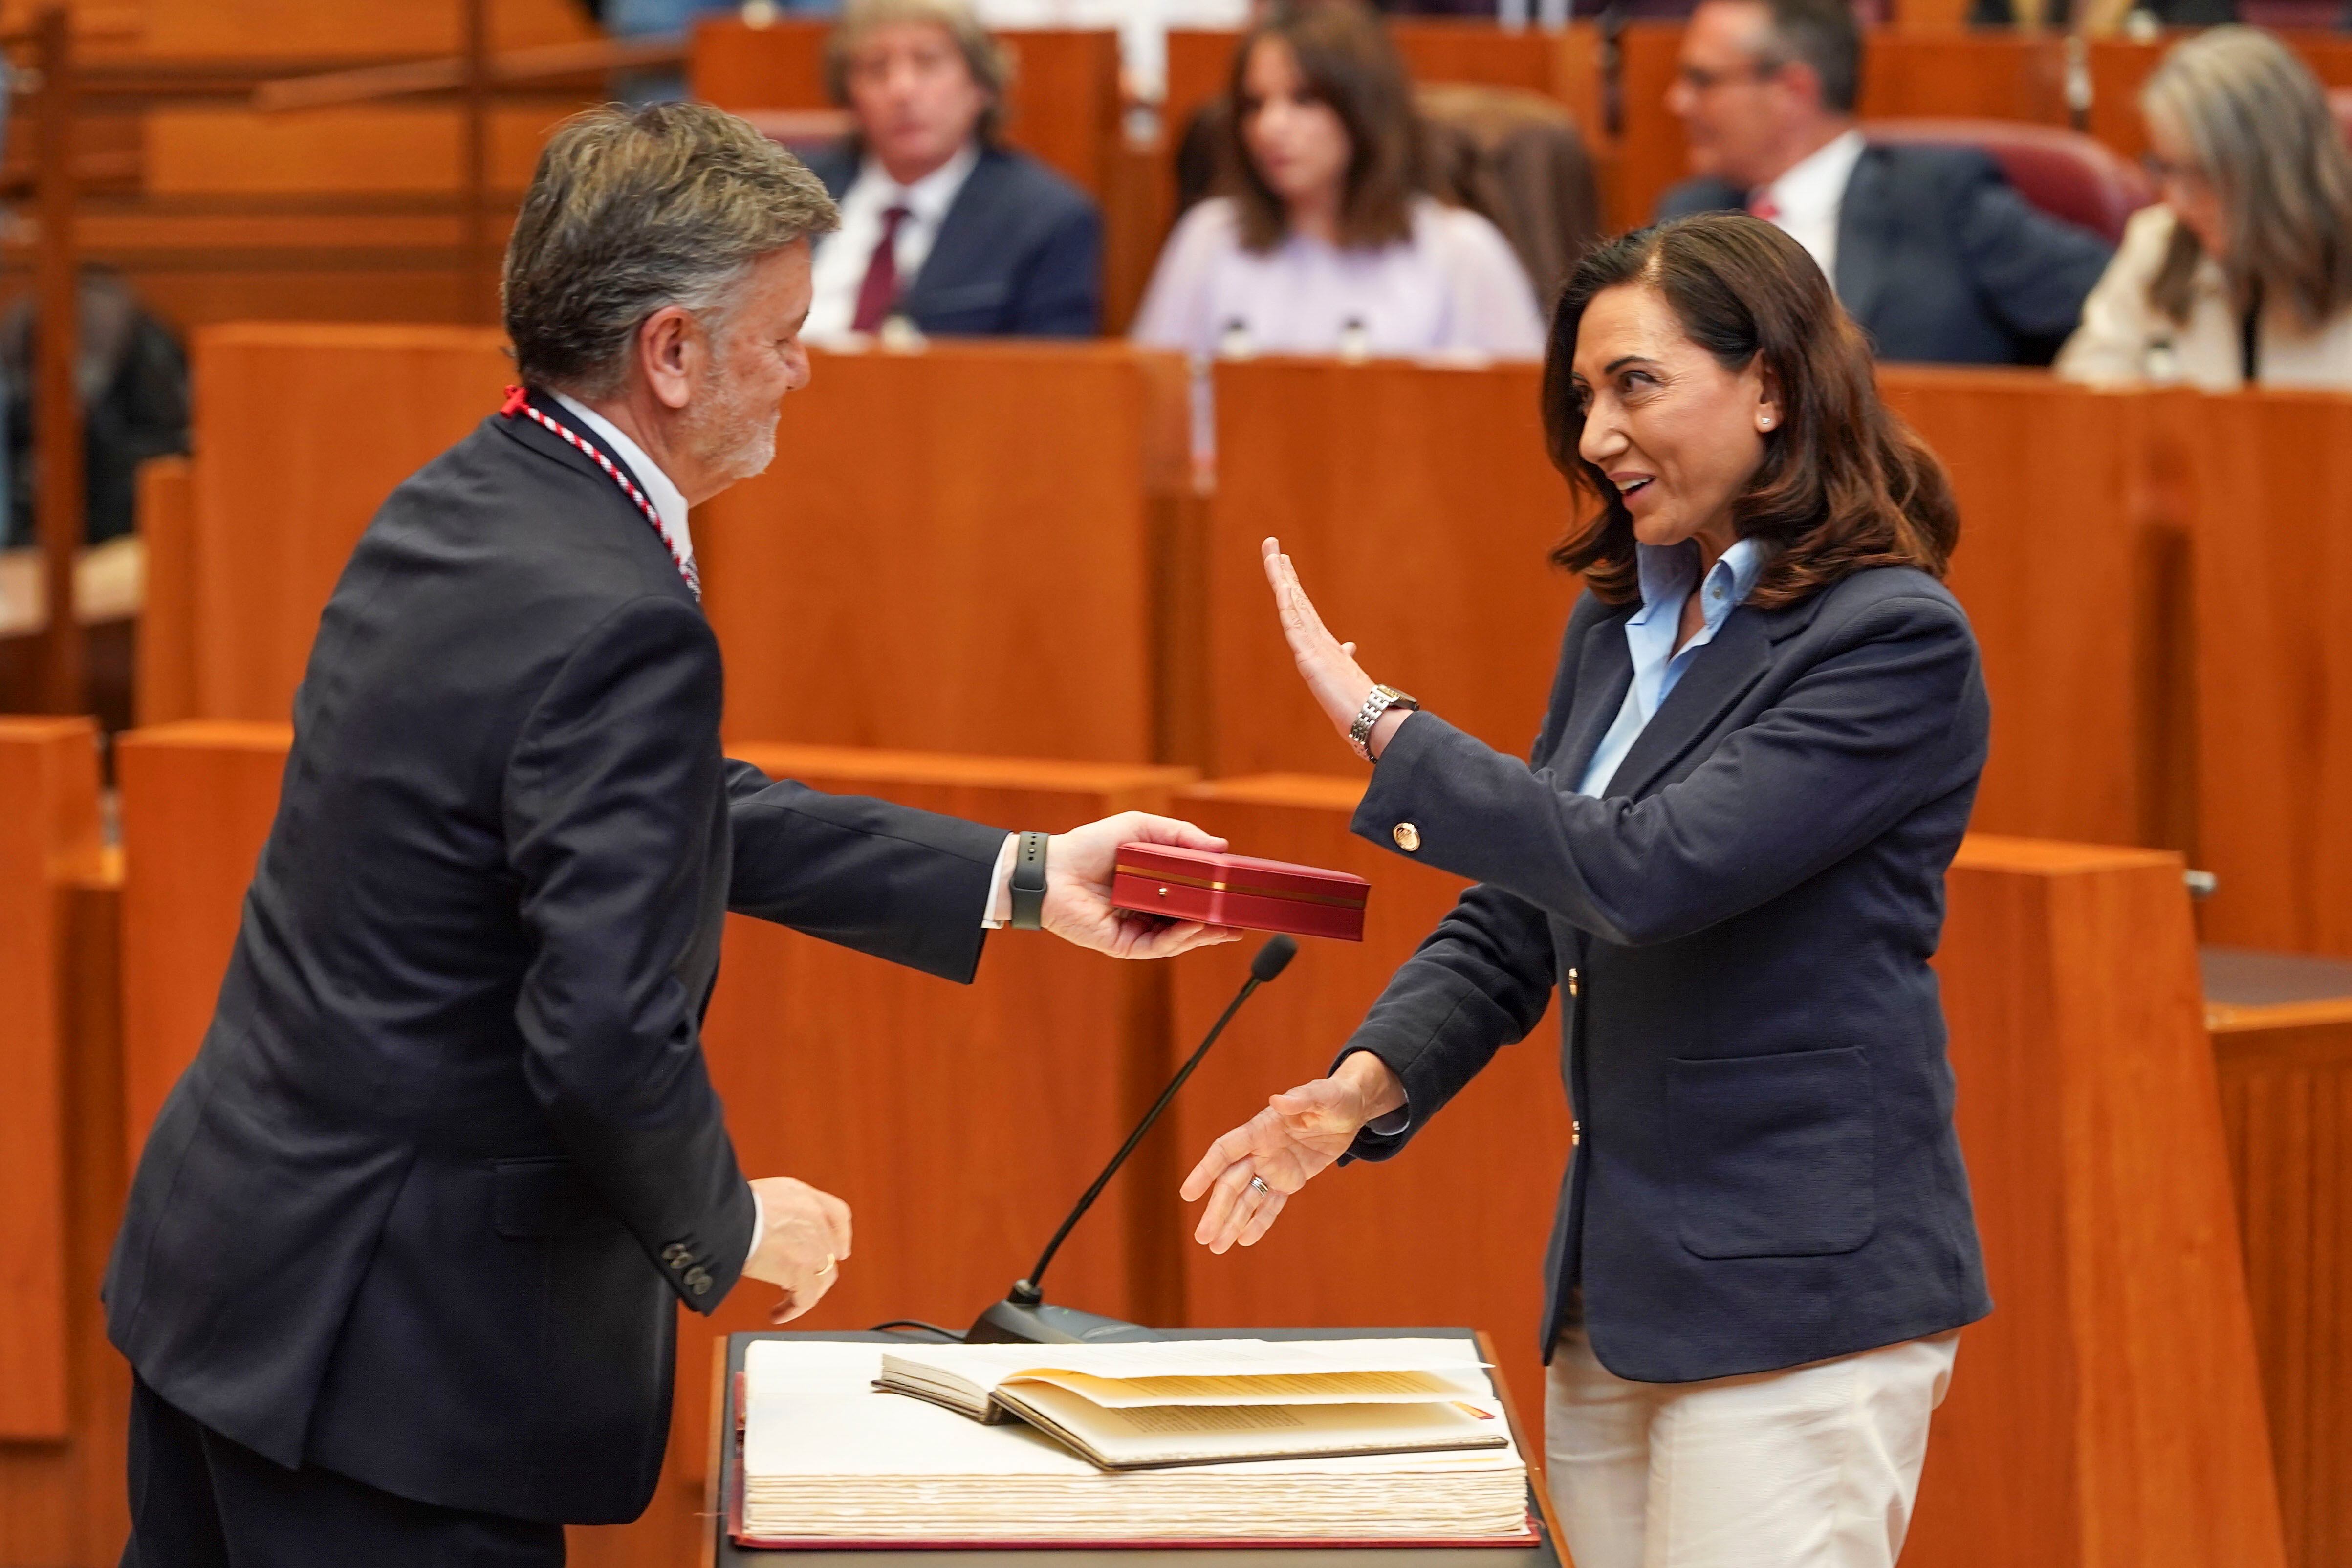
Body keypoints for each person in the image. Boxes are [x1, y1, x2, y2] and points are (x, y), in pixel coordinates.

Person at [104, 102, 1236, 1565]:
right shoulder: (615, 612)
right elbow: (600, 1032)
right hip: (395, 1367)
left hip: (233, 1274)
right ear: (671, 351)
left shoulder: (458, 500)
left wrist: (1021, 876)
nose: (800, 370)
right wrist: (725, 1219)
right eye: (779, 335)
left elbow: (657, 810)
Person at [1181, 213, 1992, 1568]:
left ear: (1772, 386)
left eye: (1633, 386)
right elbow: (1521, 907)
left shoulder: (1888, 639)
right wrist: (1361, 1089)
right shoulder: (1621, 627)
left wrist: (1387, 728)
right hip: (1617, 1292)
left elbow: (1651, 873)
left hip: (1795, 1293)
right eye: (1579, 398)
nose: (1595, 437)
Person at [1656, 0, 2112, 365]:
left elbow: (2118, 300)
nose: (1677, 102)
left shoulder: (1940, 195)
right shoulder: (1687, 215)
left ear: (1792, 91)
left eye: (1702, 80)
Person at [1131, 0, 1545, 363]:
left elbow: (1518, 420)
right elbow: (1146, 407)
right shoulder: (1210, 237)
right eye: (1254, 105)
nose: (1270, 127)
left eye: (1304, 100)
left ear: (1363, 112)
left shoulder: (1461, 253)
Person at [2058, 27, 2352, 389]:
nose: (2176, 202)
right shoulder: (2159, 241)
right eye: (2165, 168)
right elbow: (2086, 389)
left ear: (2277, 172)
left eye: (2201, 175)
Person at [803, 0, 1102, 339]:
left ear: (980, 85)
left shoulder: (1046, 219)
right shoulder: (791, 195)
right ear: (848, 94)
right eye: (876, 69)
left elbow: (1052, 377)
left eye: (927, 63)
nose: (902, 90)